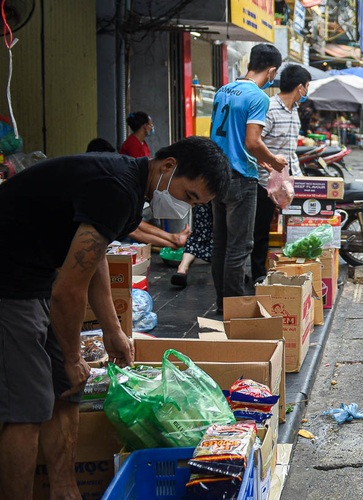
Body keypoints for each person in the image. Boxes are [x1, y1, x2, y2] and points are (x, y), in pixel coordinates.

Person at [0, 137, 230, 500]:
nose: (186, 207)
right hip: (9, 284)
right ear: (168, 166)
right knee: (27, 409)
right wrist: (71, 355)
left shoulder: (129, 190)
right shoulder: (115, 186)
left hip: (35, 275)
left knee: (67, 392)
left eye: (197, 203)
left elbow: (95, 259)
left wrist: (113, 331)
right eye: (188, 195)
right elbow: (70, 288)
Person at [209, 43, 287, 314]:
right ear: (272, 70)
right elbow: (252, 142)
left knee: (220, 242)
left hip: (216, 174)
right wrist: (274, 160)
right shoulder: (258, 97)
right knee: (239, 246)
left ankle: (221, 303)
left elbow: (230, 137)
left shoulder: (224, 90)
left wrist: (261, 157)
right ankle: (233, 307)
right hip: (240, 177)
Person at [253, 64, 310, 283]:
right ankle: (258, 274)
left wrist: (298, 177)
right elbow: (255, 143)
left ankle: (288, 271)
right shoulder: (269, 108)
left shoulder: (295, 111)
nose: (306, 91)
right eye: (306, 87)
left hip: (288, 182)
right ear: (299, 87)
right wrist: (268, 166)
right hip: (264, 182)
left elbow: (290, 150)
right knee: (261, 230)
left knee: (291, 228)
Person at [87, 136, 190, 249]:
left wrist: (172, 239)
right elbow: (133, 232)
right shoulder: (117, 184)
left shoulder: (134, 181)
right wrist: (170, 243)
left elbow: (135, 226)